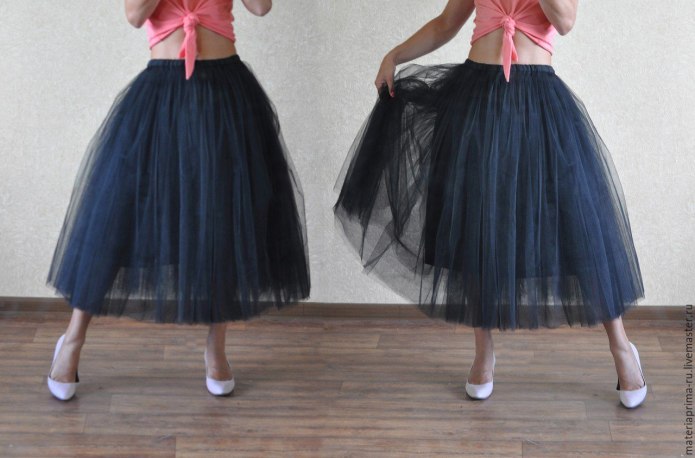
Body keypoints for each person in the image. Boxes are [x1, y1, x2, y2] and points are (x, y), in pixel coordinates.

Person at [333, 0, 647, 408]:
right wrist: (395, 55)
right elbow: (447, 22)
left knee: (581, 225)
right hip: (477, 98)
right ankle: (484, 352)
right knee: (477, 223)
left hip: (538, 100)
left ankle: (622, 348)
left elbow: (565, 21)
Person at [46, 0, 310, 400]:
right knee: (114, 215)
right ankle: (72, 340)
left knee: (224, 217)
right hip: (161, 93)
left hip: (225, 91)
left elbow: (261, 7)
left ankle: (216, 347)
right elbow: (135, 16)